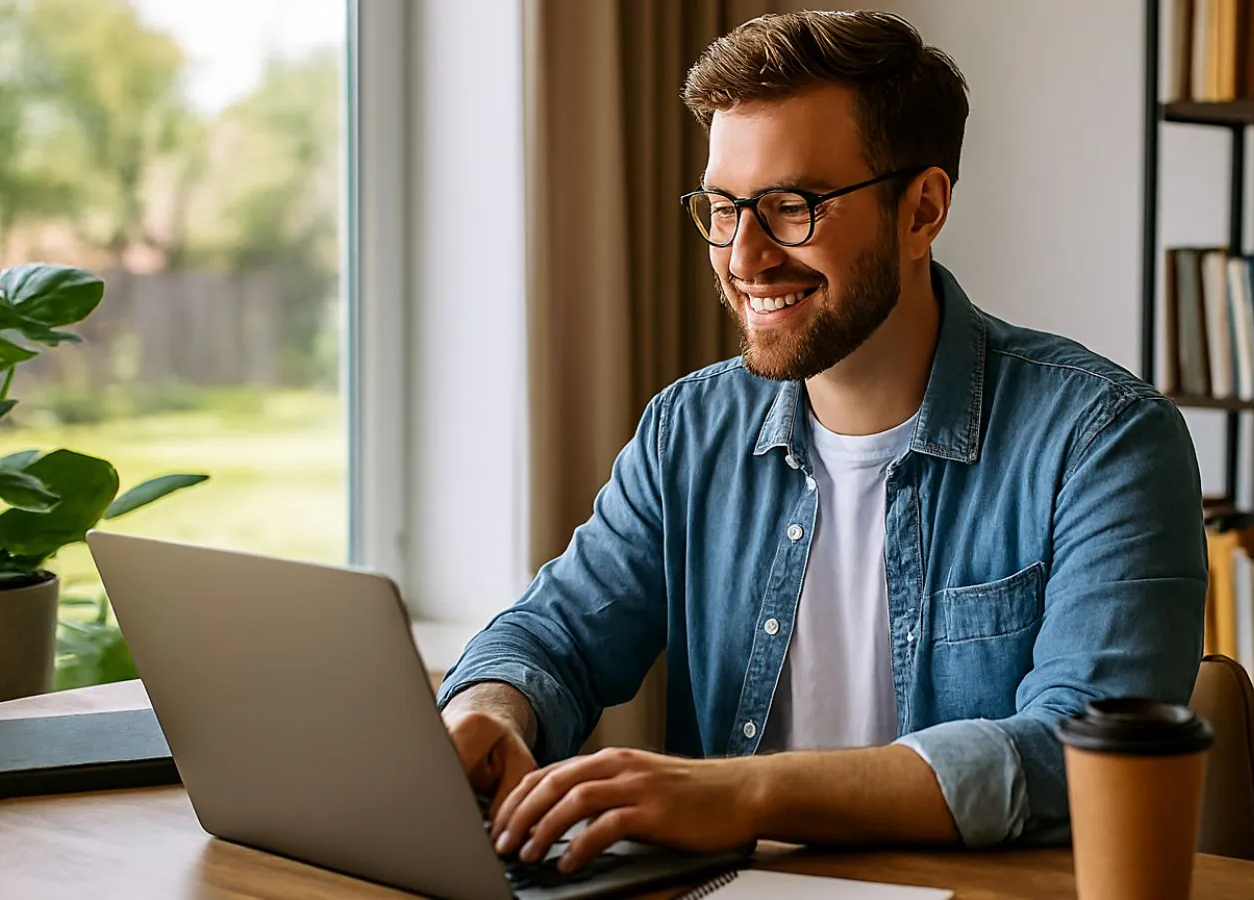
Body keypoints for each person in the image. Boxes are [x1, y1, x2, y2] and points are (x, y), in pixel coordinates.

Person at [437, 9, 1207, 874]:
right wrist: (487, 713)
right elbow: (554, 638)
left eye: (791, 207)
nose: (743, 256)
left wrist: (747, 792)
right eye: (723, 209)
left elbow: (1080, 753)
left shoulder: (1103, 441)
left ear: (922, 210)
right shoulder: (689, 432)